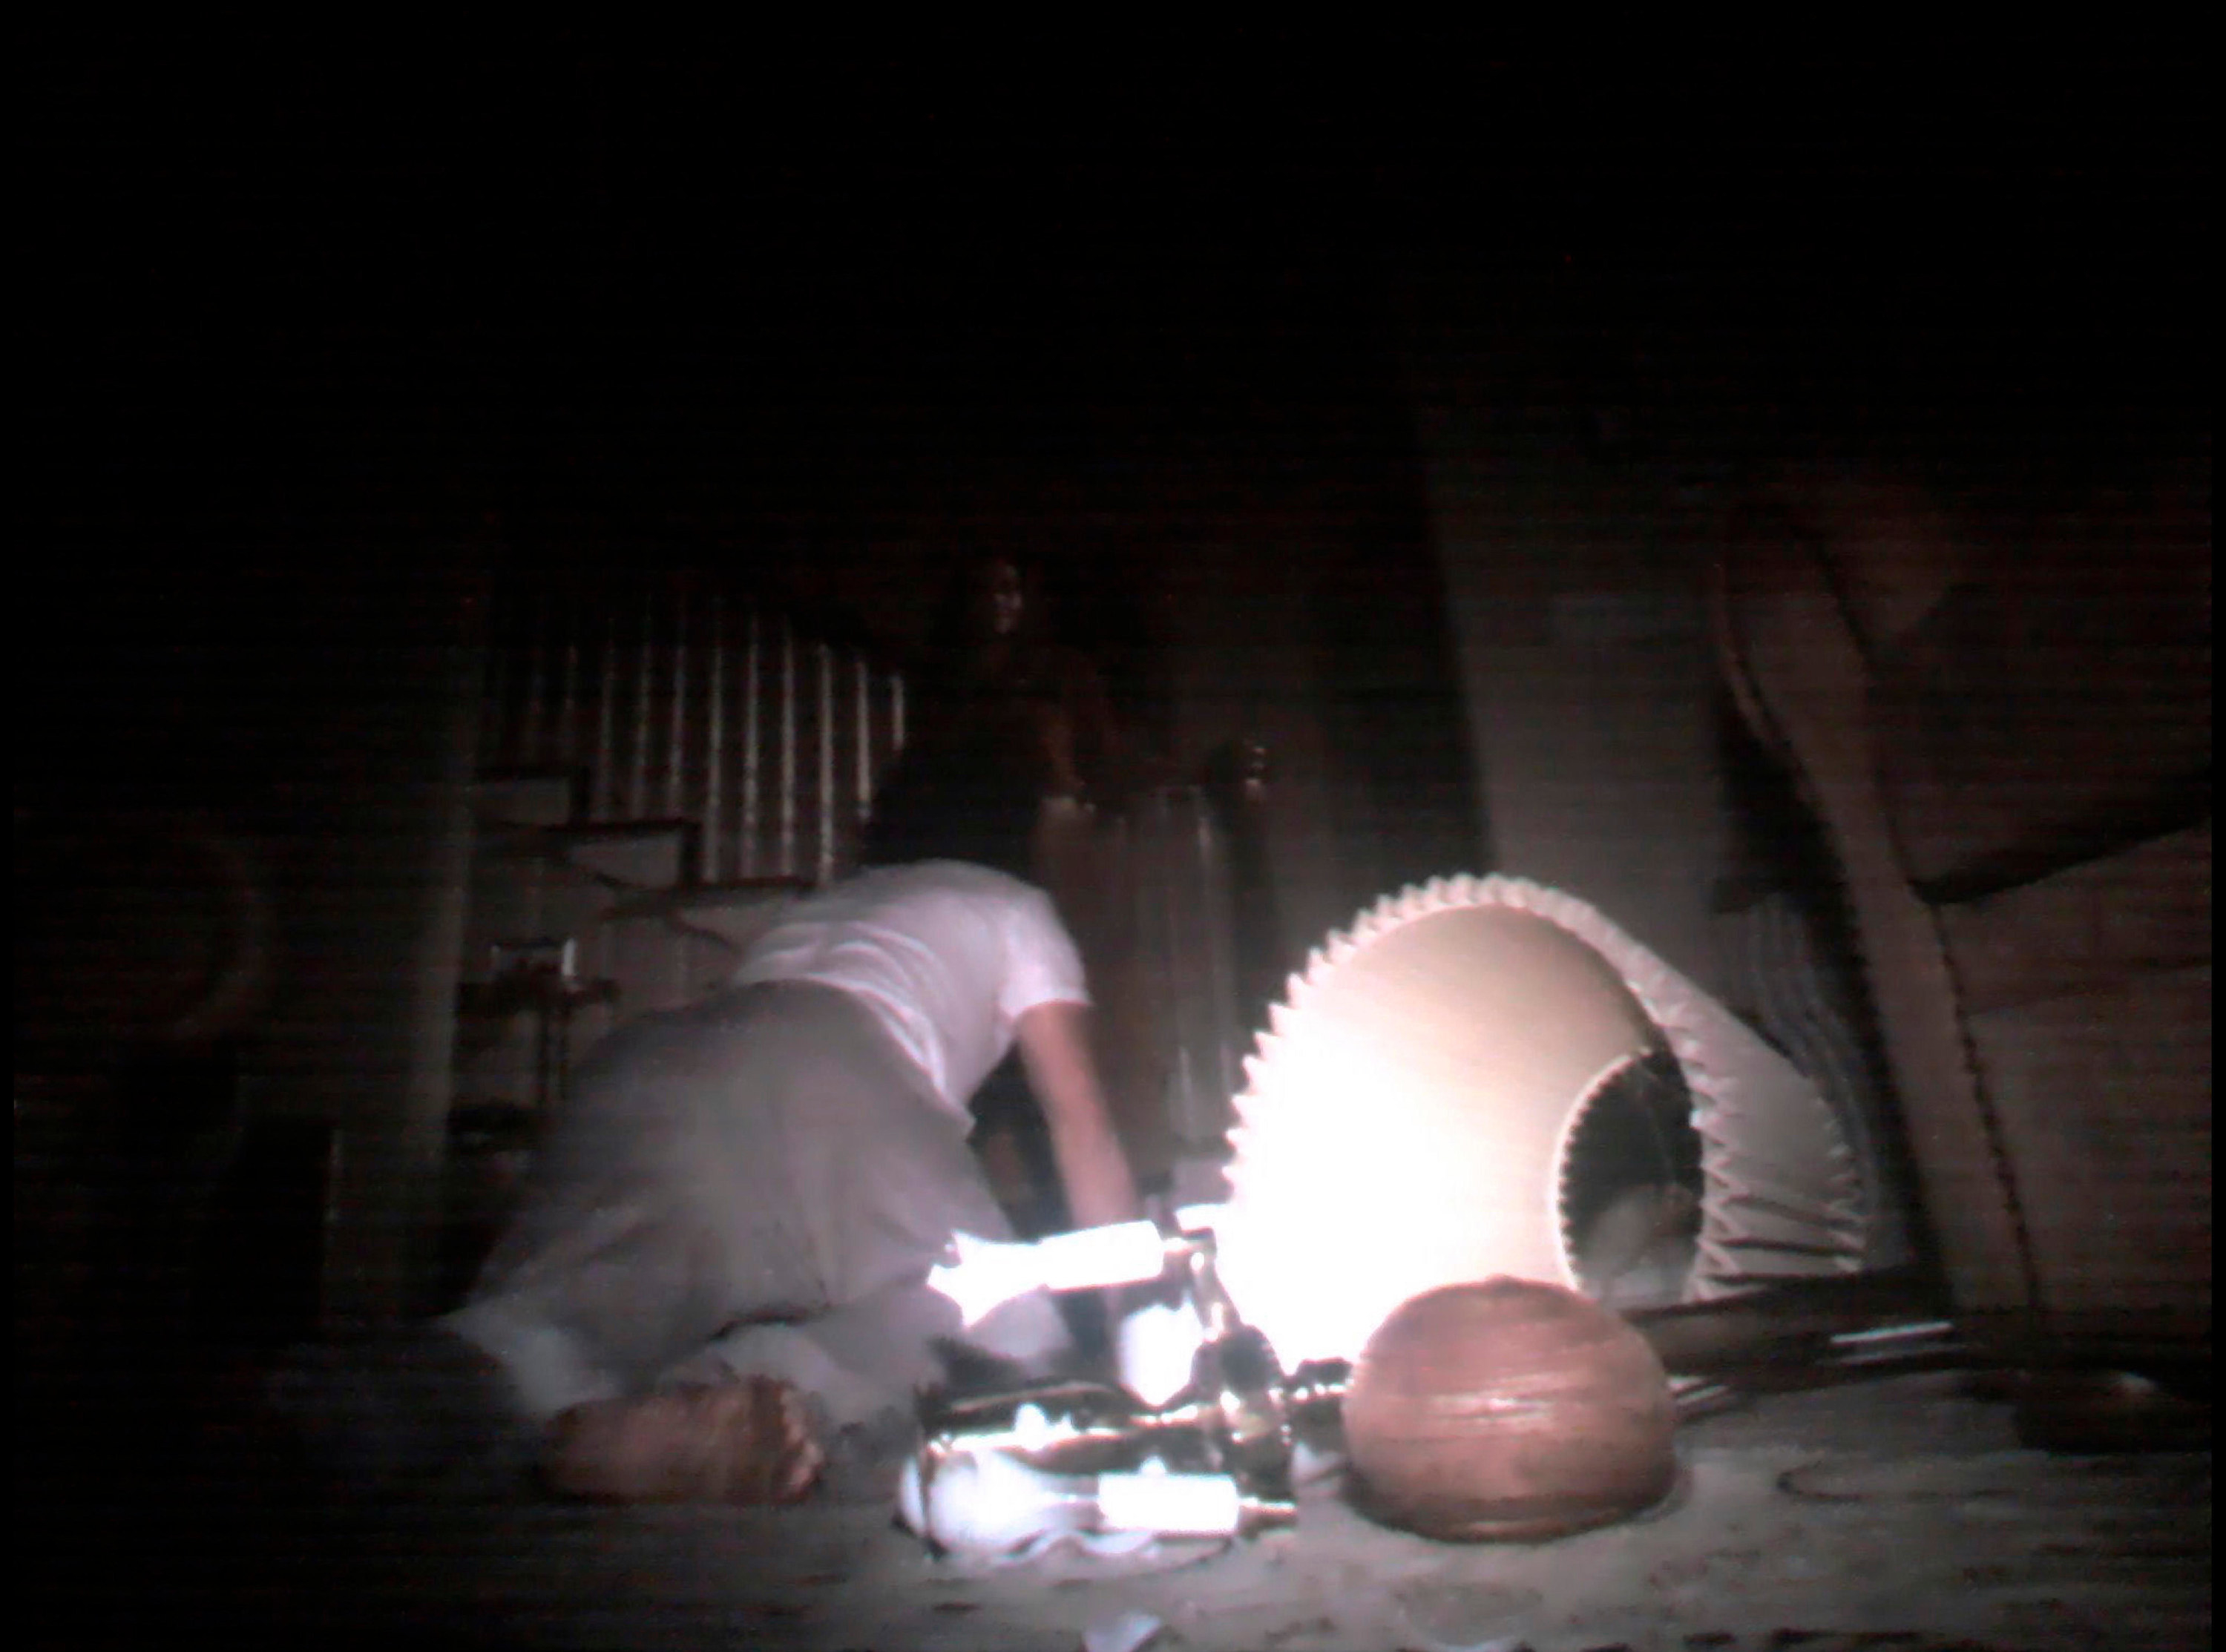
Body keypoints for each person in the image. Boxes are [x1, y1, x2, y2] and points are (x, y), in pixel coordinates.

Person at [424, 746, 1143, 1505]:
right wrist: (1138, 1329)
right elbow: (1081, 1127)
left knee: (545, 1326)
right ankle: (751, 1392)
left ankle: (355, 1406)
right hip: (834, 1056)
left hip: (650, 1057)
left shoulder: (828, 906)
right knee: (1005, 1325)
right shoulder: (1015, 906)